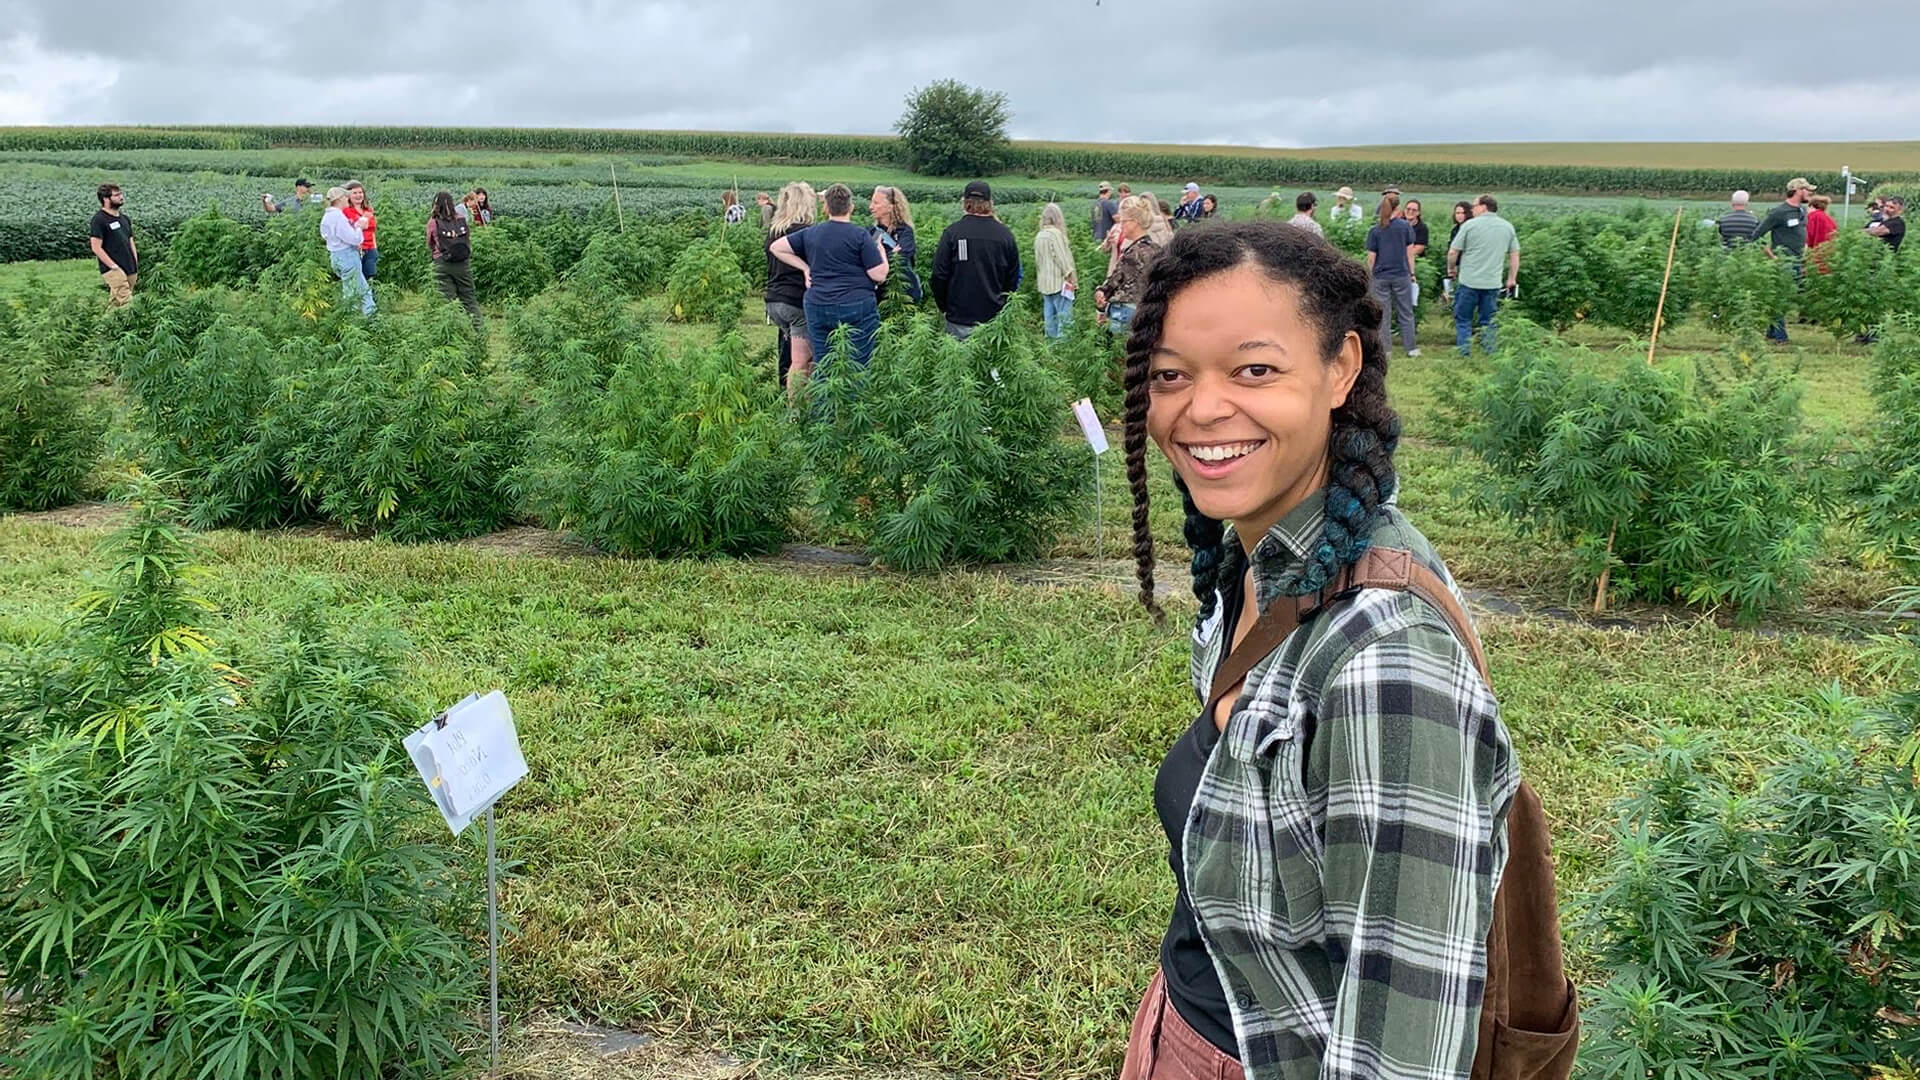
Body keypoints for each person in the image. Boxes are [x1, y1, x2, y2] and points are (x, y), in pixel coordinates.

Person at [1117, 220, 1552, 1080]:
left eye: (1255, 369)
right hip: (1196, 1020)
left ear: (1341, 368)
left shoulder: (1385, 661)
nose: (1201, 408)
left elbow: (1403, 1047)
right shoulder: (1268, 565)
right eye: (1172, 375)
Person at [769, 182, 886, 377]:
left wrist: (806, 268)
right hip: (855, 304)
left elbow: (777, 247)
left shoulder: (811, 233)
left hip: (818, 304)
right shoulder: (860, 236)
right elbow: (878, 275)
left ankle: (823, 405)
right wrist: (881, 254)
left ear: (826, 207)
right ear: (851, 207)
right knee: (859, 362)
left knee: (822, 362)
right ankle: (855, 403)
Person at [930, 180, 1021, 340]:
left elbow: (939, 275)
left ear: (965, 203)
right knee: (988, 363)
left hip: (959, 318)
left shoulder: (953, 233)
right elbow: (1013, 279)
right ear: (989, 203)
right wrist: (1002, 304)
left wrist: (945, 307)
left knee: (957, 364)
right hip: (993, 319)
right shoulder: (1005, 235)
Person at [1447, 194, 1520, 356]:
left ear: (1483, 206)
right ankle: (1490, 352)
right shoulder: (1507, 227)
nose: (1472, 209)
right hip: (1492, 283)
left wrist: (1451, 268)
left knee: (1463, 319)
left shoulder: (1469, 226)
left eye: (1474, 206)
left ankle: (1464, 352)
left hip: (1469, 281)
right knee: (1489, 321)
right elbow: (1514, 255)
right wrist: (1511, 278)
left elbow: (1453, 252)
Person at [765, 182, 817, 393]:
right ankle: (796, 414)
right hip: (796, 302)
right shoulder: (805, 233)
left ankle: (792, 397)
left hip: (774, 301)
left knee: (793, 356)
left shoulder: (774, 231)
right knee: (802, 363)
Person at [1751, 178, 1814, 343]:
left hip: (1799, 261)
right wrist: (1772, 256)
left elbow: (1801, 233)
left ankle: (1771, 332)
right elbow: (1756, 237)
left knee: (1787, 297)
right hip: (1784, 262)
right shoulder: (1778, 212)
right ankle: (1781, 336)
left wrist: (1805, 251)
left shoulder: (1802, 210)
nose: (1810, 194)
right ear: (1798, 190)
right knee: (1782, 298)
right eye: (1808, 190)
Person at [1096, 196, 1160, 334]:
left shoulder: (1133, 253)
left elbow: (1115, 280)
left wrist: (1101, 293)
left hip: (1125, 312)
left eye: (1123, 221)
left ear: (1134, 222)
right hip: (1147, 311)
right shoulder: (1156, 249)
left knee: (1118, 352)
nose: (1121, 225)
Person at [1366, 192, 1419, 357]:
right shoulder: (1405, 227)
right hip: (1401, 274)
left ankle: (1386, 350)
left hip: (1381, 276)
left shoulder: (1375, 230)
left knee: (1384, 314)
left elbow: (1371, 258)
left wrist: (1370, 274)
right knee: (1406, 312)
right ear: (1398, 208)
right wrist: (1412, 273)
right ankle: (1411, 348)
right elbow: (1409, 253)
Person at [427, 190, 482, 332]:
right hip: (463, 263)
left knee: (447, 300)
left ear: (435, 205)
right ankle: (478, 330)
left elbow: (430, 243)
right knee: (469, 298)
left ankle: (454, 331)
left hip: (442, 263)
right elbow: (467, 240)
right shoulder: (461, 219)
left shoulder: (434, 222)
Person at [321, 186, 374, 316]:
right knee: (360, 290)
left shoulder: (327, 216)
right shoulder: (338, 216)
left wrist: (353, 226)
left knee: (351, 288)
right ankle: (368, 318)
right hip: (347, 256)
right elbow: (354, 239)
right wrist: (360, 227)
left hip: (335, 255)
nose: (347, 199)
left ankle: (354, 316)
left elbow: (328, 235)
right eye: (345, 197)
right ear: (339, 199)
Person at [868, 185, 922, 303]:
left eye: (876, 203)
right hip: (880, 295)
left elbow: (902, 257)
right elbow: (867, 260)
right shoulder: (872, 232)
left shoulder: (904, 231)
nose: (871, 207)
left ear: (890, 207)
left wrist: (882, 255)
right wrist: (892, 253)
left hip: (903, 294)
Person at [88, 183, 138, 307]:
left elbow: (130, 240)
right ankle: (134, 324)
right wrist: (113, 266)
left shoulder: (124, 218)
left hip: (130, 266)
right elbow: (96, 247)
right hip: (113, 269)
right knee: (127, 302)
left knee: (116, 303)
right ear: (106, 199)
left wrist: (135, 260)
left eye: (120, 194)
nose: (121, 197)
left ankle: (106, 324)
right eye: (116, 195)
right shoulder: (99, 220)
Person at [1034, 202, 1078, 340]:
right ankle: (1062, 351)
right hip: (1060, 283)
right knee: (1065, 320)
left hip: (1045, 284)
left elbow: (1038, 261)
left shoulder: (1040, 235)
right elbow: (1062, 259)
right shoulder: (1055, 234)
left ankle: (1050, 352)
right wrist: (1070, 276)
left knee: (1050, 319)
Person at [341, 180, 379, 283]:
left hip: (370, 248)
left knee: (370, 277)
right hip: (356, 249)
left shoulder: (368, 210)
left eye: (360, 192)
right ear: (349, 196)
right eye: (355, 193)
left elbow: (372, 230)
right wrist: (364, 219)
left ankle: (371, 298)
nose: (358, 195)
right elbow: (358, 225)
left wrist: (375, 248)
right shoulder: (346, 211)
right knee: (356, 278)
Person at [1443, 201, 1472, 303]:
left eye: (1462, 213)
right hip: (1454, 262)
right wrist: (1451, 266)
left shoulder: (1470, 229)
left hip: (1467, 264)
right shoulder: (1455, 230)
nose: (1459, 216)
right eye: (1457, 213)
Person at [1404, 198, 1430, 307]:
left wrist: (1404, 256)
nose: (1410, 212)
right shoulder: (1398, 224)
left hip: (1416, 262)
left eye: (1414, 210)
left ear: (1418, 213)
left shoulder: (1422, 228)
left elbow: (1419, 248)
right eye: (1408, 209)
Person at [1093, 182, 1119, 248]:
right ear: (1109, 191)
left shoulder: (1095, 204)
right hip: (1107, 238)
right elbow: (1118, 220)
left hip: (1096, 237)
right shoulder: (1109, 203)